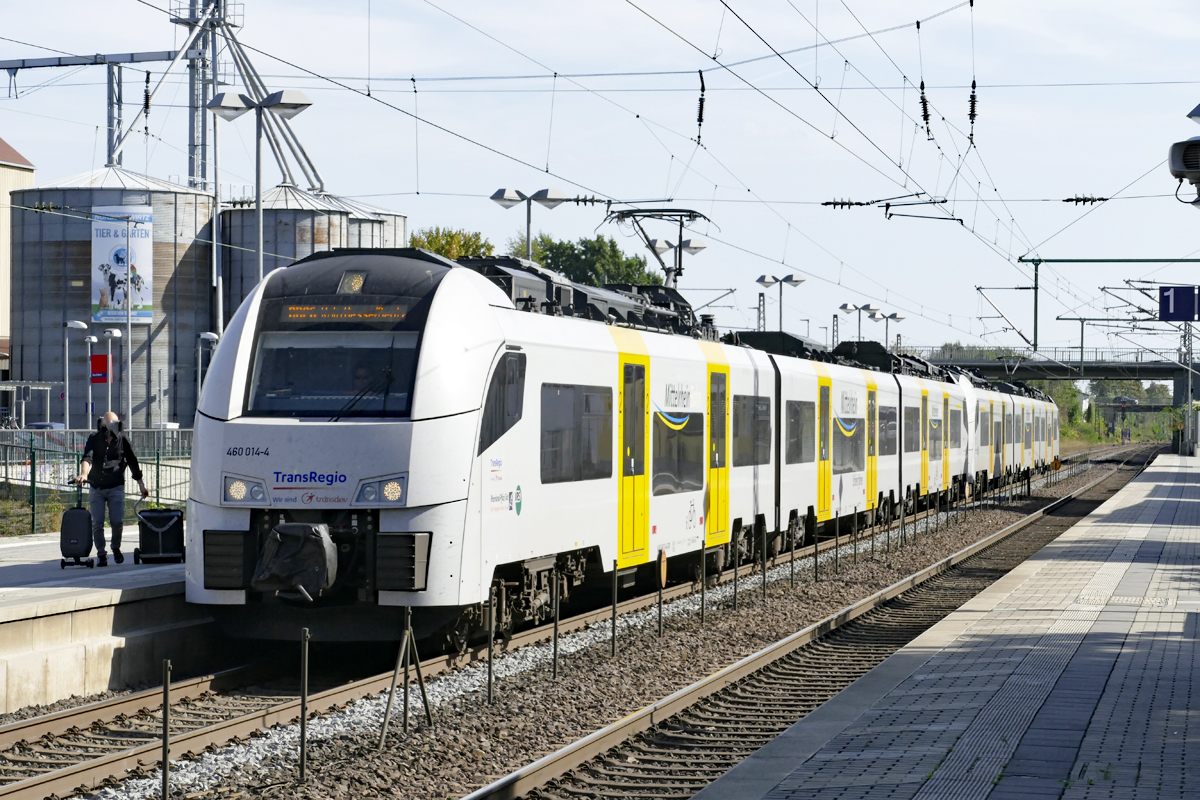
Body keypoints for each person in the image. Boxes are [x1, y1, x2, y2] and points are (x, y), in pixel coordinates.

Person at [76, 412, 148, 566]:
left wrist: (141, 484)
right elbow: (87, 458)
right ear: (105, 425)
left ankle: (116, 548)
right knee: (98, 523)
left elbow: (132, 461)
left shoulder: (123, 439)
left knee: (117, 521)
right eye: (110, 425)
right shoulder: (94, 439)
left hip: (116, 486)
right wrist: (83, 474)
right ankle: (101, 554)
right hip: (97, 486)